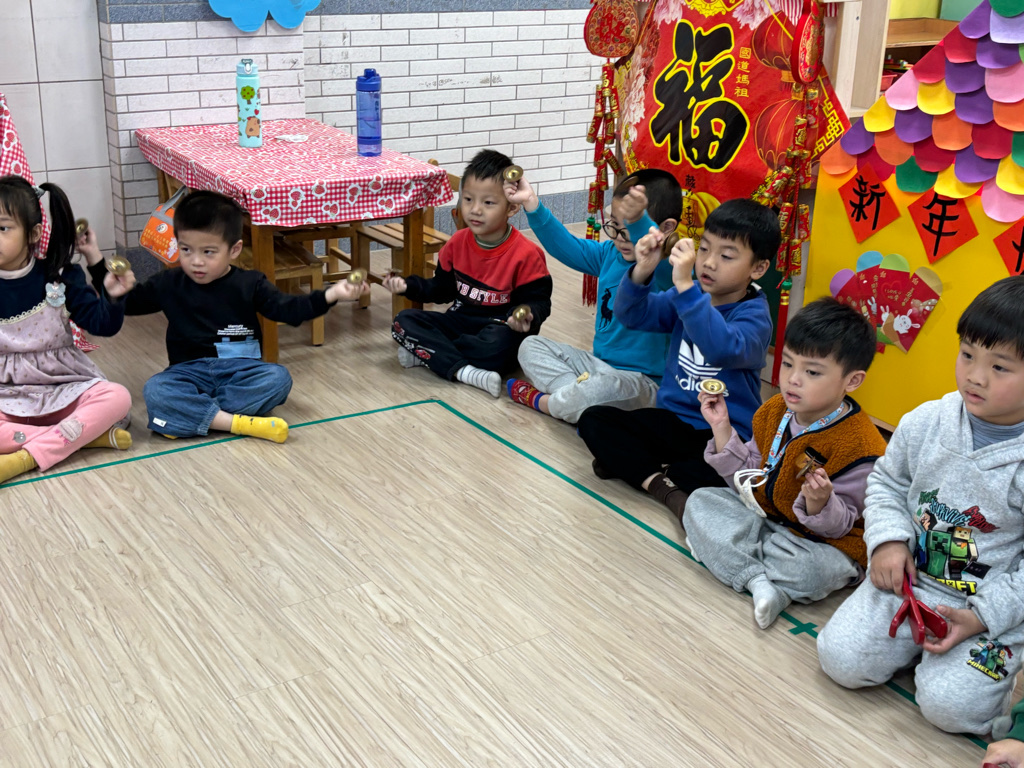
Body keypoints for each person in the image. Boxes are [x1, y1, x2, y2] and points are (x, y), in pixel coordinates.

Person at [817, 276, 1024, 736]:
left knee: (951, 710)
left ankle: (971, 672)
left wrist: (982, 617)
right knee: (840, 659)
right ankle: (915, 652)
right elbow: (887, 483)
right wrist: (888, 543)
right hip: (908, 584)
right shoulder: (927, 420)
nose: (975, 376)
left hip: (989, 609)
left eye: (999, 367)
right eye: (967, 354)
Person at [683, 298, 887, 629]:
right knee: (700, 500)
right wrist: (721, 428)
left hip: (817, 543)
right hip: (767, 519)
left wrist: (820, 503)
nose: (793, 379)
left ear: (852, 381)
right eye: (788, 363)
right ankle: (759, 582)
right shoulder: (775, 409)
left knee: (818, 570)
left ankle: (732, 558)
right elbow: (749, 476)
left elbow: (842, 527)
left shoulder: (863, 448)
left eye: (812, 372)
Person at [576, 199, 778, 520]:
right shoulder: (688, 293)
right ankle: (664, 485)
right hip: (673, 420)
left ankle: (643, 468)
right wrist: (643, 270)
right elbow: (631, 315)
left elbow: (720, 348)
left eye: (726, 256)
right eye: (704, 249)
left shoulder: (754, 316)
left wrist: (685, 287)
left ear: (758, 268)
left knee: (723, 475)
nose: (709, 262)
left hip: (723, 434)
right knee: (594, 420)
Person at [120, 190, 366, 443]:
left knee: (278, 379)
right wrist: (114, 287)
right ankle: (236, 423)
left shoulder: (251, 283)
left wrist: (332, 294)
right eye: (186, 249)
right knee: (156, 389)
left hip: (242, 370)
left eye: (208, 252)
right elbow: (129, 304)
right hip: (187, 373)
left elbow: (288, 309)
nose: (196, 261)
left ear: (234, 249)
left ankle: (189, 416)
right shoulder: (168, 282)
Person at [504, 169, 678, 423]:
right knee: (530, 346)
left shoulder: (668, 266)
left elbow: (655, 249)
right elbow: (567, 246)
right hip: (597, 366)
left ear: (666, 228)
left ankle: (546, 402)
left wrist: (640, 222)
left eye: (630, 229)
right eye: (615, 226)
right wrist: (531, 202)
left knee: (600, 390)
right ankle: (578, 402)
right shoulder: (610, 253)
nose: (620, 239)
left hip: (643, 382)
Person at [0, 175, 134, 485]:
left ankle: (24, 458)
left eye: (2, 228)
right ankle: (79, 438)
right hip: (7, 395)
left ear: (34, 233)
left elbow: (103, 325)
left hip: (64, 387)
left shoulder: (59, 275)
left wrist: (113, 298)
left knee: (117, 397)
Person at [385, 149, 552, 398]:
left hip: (499, 328)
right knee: (402, 321)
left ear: (512, 207)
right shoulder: (456, 243)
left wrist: (527, 314)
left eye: (488, 203)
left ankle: (431, 355)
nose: (475, 210)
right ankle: (466, 372)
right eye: (468, 199)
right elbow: (442, 291)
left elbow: (539, 302)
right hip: (460, 323)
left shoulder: (527, 254)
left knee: (499, 348)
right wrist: (408, 286)